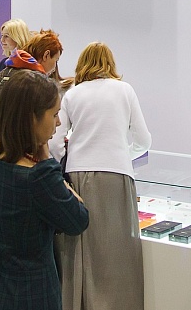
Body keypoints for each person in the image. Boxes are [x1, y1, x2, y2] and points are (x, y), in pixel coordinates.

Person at [0, 69, 89, 310]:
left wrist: (3, 231)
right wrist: (48, 161)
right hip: (34, 294)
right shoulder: (40, 176)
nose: (59, 122)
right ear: (32, 119)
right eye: (54, 114)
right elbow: (78, 220)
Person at [49, 42, 152, 310]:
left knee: (79, 248)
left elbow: (55, 142)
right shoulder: (125, 90)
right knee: (118, 249)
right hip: (118, 175)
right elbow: (144, 140)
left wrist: (67, 159)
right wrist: (123, 154)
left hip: (78, 174)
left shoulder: (73, 94)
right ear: (110, 63)